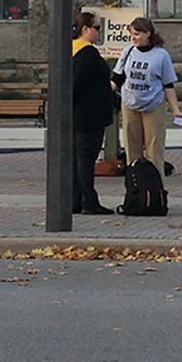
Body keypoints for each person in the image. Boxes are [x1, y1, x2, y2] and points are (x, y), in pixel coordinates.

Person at [113, 17, 182, 176]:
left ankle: (155, 188)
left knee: (154, 149)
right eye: (132, 34)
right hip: (130, 104)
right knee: (132, 149)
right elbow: (117, 79)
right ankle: (134, 187)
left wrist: (176, 111)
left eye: (137, 34)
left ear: (148, 34)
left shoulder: (161, 55)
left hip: (153, 106)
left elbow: (168, 85)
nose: (133, 38)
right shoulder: (128, 52)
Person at [69, 12, 118, 215]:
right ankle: (89, 201)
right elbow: (77, 83)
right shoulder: (87, 53)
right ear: (85, 29)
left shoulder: (70, 51)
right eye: (97, 28)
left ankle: (75, 200)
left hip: (77, 114)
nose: (100, 32)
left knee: (76, 159)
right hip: (88, 116)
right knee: (85, 160)